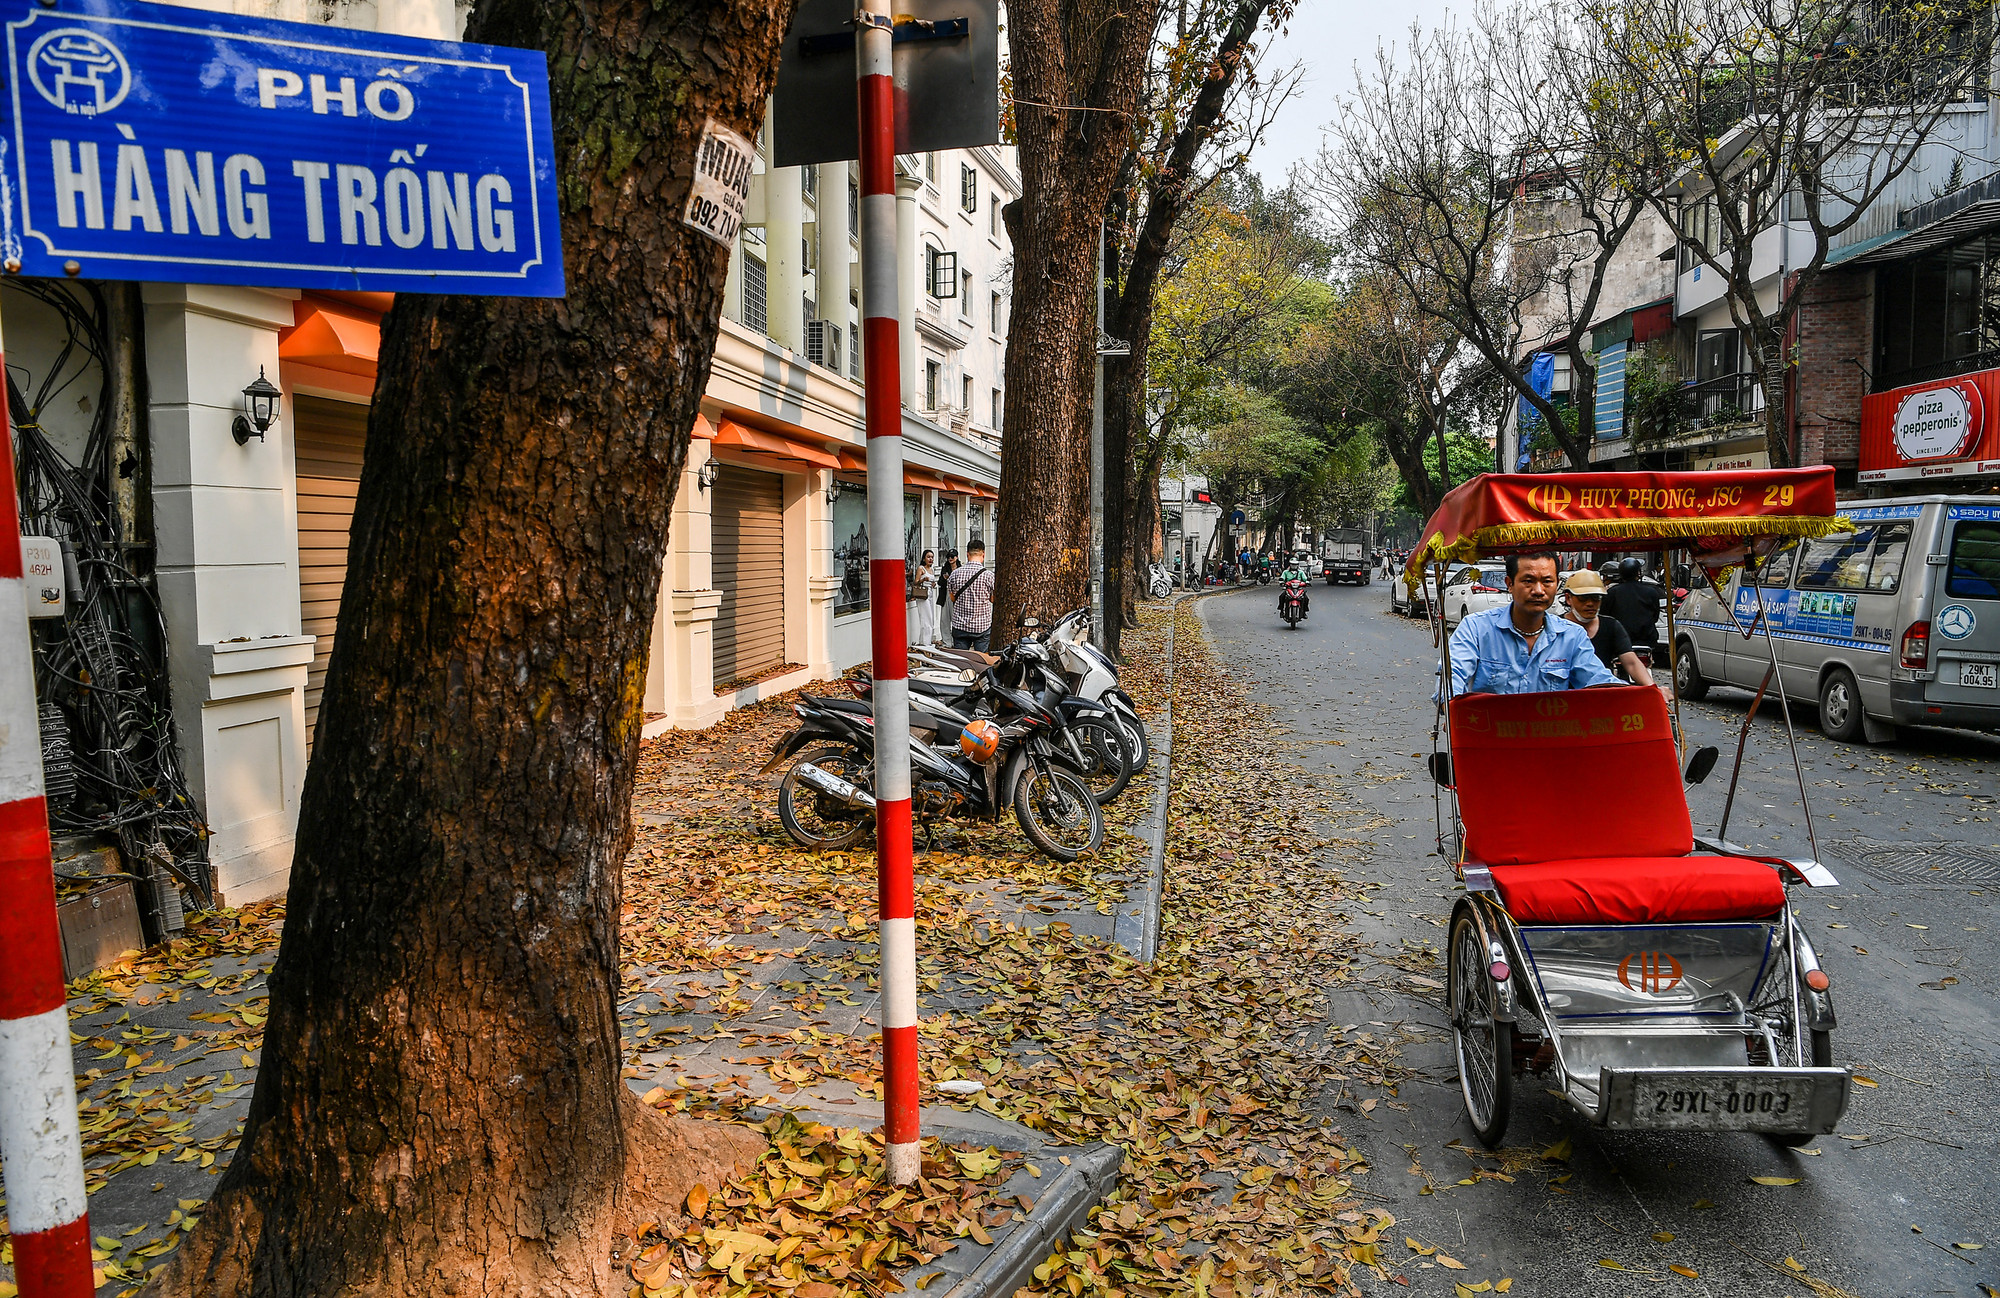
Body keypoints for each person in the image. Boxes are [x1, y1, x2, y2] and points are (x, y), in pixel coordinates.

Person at [1446, 551, 1617, 697]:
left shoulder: (1572, 636)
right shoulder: (1475, 628)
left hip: (1550, 732)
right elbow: (1452, 676)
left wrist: (1635, 697)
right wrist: (1453, 707)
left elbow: (1599, 681)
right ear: (1510, 584)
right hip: (1490, 731)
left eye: (1547, 581)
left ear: (1557, 585)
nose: (1538, 590)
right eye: (1528, 581)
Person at [1559, 570, 1655, 686]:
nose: (1590, 603)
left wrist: (1653, 690)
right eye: (1583, 598)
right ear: (1568, 598)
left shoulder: (1611, 626)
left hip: (1601, 693)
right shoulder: (1556, 628)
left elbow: (1631, 662)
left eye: (1596, 598)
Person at [1603, 556, 1666, 657]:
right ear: (1638, 573)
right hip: (1646, 640)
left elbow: (1605, 616)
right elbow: (1655, 616)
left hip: (1619, 641)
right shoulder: (1651, 592)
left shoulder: (1612, 592)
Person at [947, 539, 996, 651]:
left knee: (961, 662)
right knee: (982, 662)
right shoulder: (989, 576)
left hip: (960, 625)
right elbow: (993, 599)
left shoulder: (955, 574)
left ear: (967, 554)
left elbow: (952, 597)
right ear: (983, 554)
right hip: (982, 626)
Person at [911, 549, 939, 646]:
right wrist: (923, 580)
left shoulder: (932, 569)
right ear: (924, 558)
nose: (930, 559)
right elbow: (915, 581)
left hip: (931, 594)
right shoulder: (921, 568)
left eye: (932, 557)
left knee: (930, 618)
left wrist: (933, 584)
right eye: (928, 557)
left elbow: (933, 582)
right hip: (923, 595)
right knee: (925, 618)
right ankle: (925, 643)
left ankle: (926, 641)